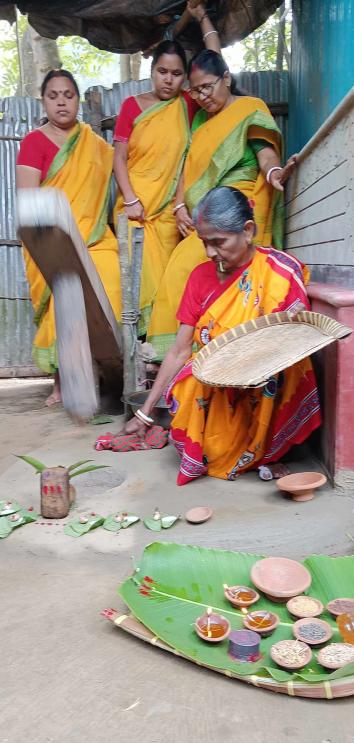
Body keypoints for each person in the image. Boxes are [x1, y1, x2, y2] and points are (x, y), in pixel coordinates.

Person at [125, 187, 321, 486]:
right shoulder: (199, 277)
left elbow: (292, 341)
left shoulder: (279, 271)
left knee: (288, 371)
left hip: (265, 378)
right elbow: (179, 351)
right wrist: (145, 413)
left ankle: (268, 449)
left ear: (248, 230)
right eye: (204, 243)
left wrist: (252, 363)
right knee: (193, 389)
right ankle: (238, 447)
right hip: (216, 381)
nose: (210, 253)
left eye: (218, 242)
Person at [148, 49, 297, 359]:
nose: (202, 96)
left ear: (226, 78)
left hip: (236, 207)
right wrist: (179, 207)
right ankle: (175, 354)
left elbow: (265, 151)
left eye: (207, 87)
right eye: (196, 90)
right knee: (179, 270)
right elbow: (187, 169)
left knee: (192, 264)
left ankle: (193, 351)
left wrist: (273, 171)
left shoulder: (248, 109)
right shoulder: (200, 120)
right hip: (203, 215)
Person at [113, 2, 220, 336]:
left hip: (168, 215)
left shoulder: (187, 105)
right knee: (135, 286)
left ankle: (155, 357)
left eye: (176, 74)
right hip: (134, 211)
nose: (169, 80)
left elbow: (216, 64)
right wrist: (130, 200)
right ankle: (135, 356)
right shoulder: (132, 106)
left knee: (163, 289)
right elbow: (119, 159)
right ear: (152, 71)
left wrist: (202, 18)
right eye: (163, 72)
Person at [16, 69, 121, 406]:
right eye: (53, 95)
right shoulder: (34, 142)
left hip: (94, 237)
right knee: (61, 297)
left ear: (77, 100)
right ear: (43, 102)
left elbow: (111, 190)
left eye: (68, 95)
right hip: (51, 236)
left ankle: (106, 373)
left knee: (109, 291)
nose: (61, 101)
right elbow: (27, 199)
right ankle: (62, 380)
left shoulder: (96, 146)